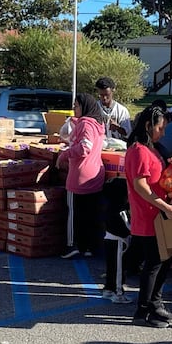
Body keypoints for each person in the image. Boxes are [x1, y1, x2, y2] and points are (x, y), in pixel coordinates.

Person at [124, 104, 172, 328]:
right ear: (148, 126)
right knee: (154, 263)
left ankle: (155, 305)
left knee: (163, 260)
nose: (162, 133)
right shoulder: (139, 150)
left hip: (157, 213)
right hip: (148, 214)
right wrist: (165, 206)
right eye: (160, 128)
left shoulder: (150, 148)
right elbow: (140, 185)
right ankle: (143, 311)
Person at [59, 93, 107, 260]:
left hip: (80, 175)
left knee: (74, 212)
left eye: (76, 105)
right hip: (95, 174)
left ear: (84, 107)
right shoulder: (97, 124)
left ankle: (72, 245)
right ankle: (88, 246)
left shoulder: (85, 124)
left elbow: (85, 147)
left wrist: (64, 155)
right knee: (90, 213)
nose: (74, 108)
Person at [94, 76, 132, 140]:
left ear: (113, 91)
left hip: (118, 146)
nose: (104, 98)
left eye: (107, 95)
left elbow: (128, 133)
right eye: (101, 95)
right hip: (100, 145)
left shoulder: (122, 110)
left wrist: (118, 128)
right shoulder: (94, 108)